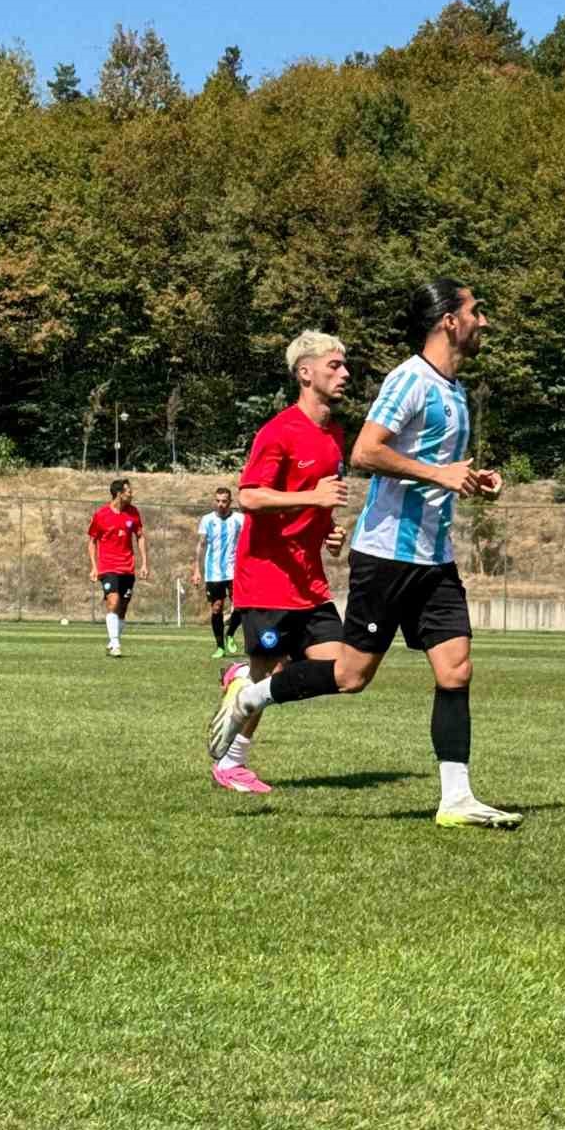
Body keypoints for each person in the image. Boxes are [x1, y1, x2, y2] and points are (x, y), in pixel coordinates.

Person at [208, 277, 521, 830]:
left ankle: (456, 798)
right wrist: (440, 474)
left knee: (456, 670)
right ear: (449, 319)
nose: (484, 321)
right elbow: (368, 451)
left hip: (435, 557)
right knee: (352, 676)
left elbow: (428, 467)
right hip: (387, 557)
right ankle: (253, 696)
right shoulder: (410, 380)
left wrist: (470, 478)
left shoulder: (455, 390)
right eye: (477, 311)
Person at [211, 331, 351, 793]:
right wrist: (313, 497)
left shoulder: (334, 435)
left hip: (309, 581)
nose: (345, 373)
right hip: (268, 578)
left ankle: (241, 678)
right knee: (268, 671)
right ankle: (232, 764)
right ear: (305, 372)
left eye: (344, 365)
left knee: (342, 669)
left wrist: (329, 531)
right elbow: (249, 495)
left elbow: (317, 504)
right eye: (334, 366)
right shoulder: (277, 431)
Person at [87, 478, 148, 656]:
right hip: (108, 567)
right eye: (128, 491)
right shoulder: (101, 515)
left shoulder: (133, 513)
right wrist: (94, 567)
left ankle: (113, 639)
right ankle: (115, 644)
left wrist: (144, 563)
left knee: (122, 608)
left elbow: (140, 537)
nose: (131, 494)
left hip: (127, 567)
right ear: (119, 494)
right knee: (113, 602)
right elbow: (92, 542)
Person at [192, 487, 245, 658]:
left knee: (241, 606)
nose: (221, 504)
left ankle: (230, 634)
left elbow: (247, 542)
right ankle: (220, 646)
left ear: (230, 502)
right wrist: (196, 570)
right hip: (213, 573)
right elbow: (201, 544)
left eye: (224, 501)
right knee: (217, 608)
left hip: (234, 570)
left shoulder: (239, 519)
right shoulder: (207, 520)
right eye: (218, 501)